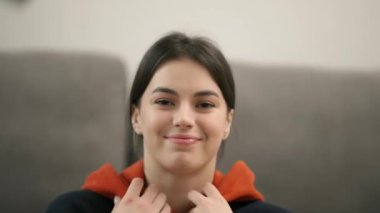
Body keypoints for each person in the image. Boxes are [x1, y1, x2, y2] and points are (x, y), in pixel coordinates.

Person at [46, 32, 290, 213]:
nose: (183, 119)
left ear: (228, 121)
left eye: (204, 104)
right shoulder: (71, 209)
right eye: (164, 101)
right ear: (136, 116)